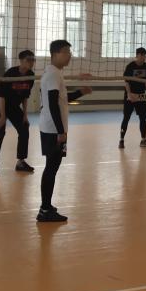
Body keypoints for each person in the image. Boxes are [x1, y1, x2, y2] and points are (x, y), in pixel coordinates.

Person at [38, 39, 92, 223]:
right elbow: (53, 104)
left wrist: (81, 92)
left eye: (70, 52)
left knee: (52, 168)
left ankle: (46, 205)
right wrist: (61, 131)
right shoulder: (53, 75)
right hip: (53, 129)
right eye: (66, 52)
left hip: (51, 128)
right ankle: (45, 210)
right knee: (51, 168)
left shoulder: (54, 73)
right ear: (56, 54)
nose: (70, 56)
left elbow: (61, 100)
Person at [0, 50, 36, 176]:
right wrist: (2, 116)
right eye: (29, 60)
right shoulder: (11, 73)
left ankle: (21, 162)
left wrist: (25, 115)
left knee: (24, 127)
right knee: (0, 130)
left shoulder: (31, 75)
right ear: (21, 61)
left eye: (33, 60)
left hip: (13, 105)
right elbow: (2, 96)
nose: (31, 62)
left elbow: (25, 97)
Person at [119, 48, 146, 149]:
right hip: (131, 95)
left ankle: (143, 140)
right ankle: (121, 140)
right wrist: (129, 94)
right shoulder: (130, 66)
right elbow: (126, 82)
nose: (144, 57)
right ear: (137, 55)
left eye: (145, 55)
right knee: (126, 118)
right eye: (142, 55)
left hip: (141, 95)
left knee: (143, 118)